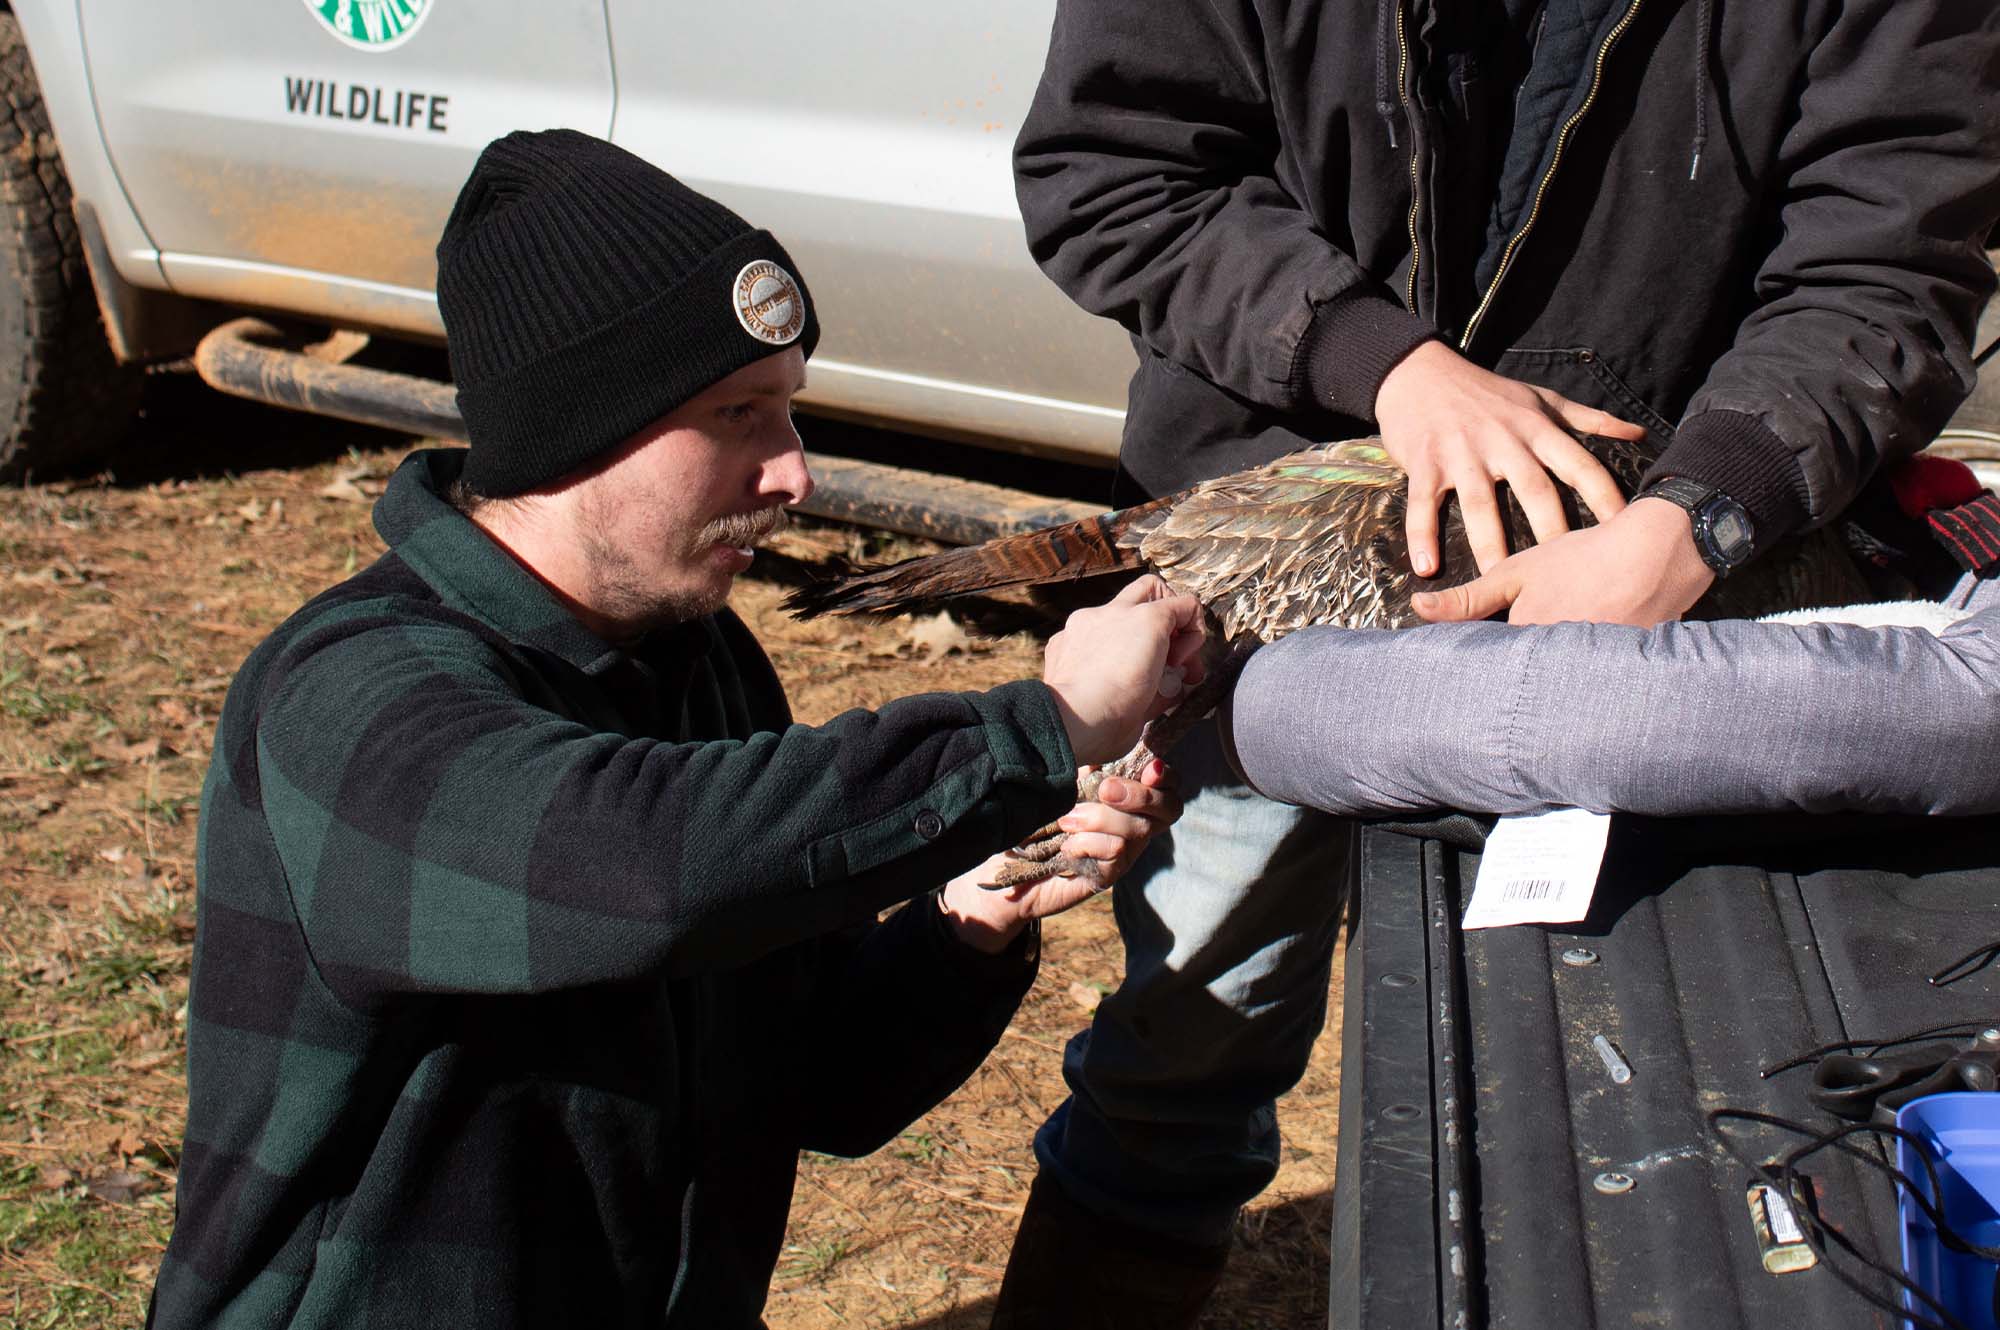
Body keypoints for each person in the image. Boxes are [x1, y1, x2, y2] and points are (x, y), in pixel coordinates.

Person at [999, 0, 2000, 1321]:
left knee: (1616, 1074)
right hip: (1274, 581)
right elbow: (1111, 172)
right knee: (1188, 1042)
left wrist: (1694, 518)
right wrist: (1387, 361)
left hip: (1645, 599)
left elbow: (1887, 262)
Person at [146, 129, 1207, 1330]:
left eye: (786, 410)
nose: (793, 472)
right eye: (738, 413)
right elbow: (643, 870)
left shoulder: (700, 668)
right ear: (575, 427)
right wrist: (1038, 726)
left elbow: (819, 1082)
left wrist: (969, 910)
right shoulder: (350, 699)